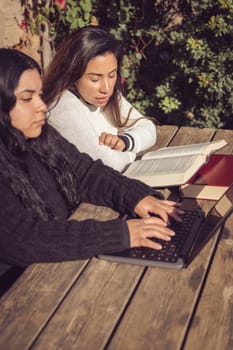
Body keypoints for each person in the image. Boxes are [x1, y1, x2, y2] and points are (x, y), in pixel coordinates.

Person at [0, 48, 183, 275]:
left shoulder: (39, 136)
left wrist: (137, 197)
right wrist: (120, 234)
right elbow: (24, 240)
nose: (42, 106)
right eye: (27, 98)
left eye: (39, 95)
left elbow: (86, 173)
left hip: (61, 268)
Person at [43, 25, 157, 172]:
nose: (106, 88)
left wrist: (124, 142)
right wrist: (132, 154)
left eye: (111, 75)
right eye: (95, 79)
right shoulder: (61, 107)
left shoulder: (106, 96)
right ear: (72, 73)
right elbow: (109, 165)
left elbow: (149, 128)